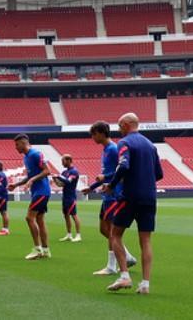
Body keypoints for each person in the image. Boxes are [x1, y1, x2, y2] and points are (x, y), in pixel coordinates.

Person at [104, 113, 163, 295]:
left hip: (130, 196)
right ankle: (145, 283)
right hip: (149, 197)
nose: (119, 129)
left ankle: (124, 276)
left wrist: (112, 185)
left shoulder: (125, 143)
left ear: (127, 124)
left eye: (120, 125)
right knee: (145, 240)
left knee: (114, 234)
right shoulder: (151, 145)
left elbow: (123, 165)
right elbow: (159, 174)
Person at [84, 121, 136, 276]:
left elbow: (120, 171)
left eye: (93, 134)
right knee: (103, 229)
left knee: (112, 232)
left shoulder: (113, 149)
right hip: (107, 195)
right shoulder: (106, 150)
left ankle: (112, 266)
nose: (92, 137)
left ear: (101, 133)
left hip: (115, 195)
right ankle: (127, 256)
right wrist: (91, 187)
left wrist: (105, 177)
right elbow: (106, 173)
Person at [8, 133, 52, 260]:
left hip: (42, 191)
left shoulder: (35, 154)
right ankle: (46, 250)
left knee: (29, 218)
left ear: (23, 143)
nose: (16, 148)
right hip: (37, 192)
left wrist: (32, 180)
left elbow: (47, 171)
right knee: (40, 221)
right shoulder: (26, 158)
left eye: (17, 145)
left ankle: (37, 249)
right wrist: (16, 184)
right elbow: (30, 175)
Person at [53, 154, 82, 242]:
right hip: (65, 196)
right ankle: (69, 234)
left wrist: (58, 176)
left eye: (63, 161)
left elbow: (68, 182)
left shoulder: (74, 171)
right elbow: (61, 184)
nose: (62, 163)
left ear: (69, 160)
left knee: (74, 215)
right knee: (66, 215)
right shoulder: (64, 172)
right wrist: (54, 179)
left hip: (71, 197)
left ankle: (78, 235)